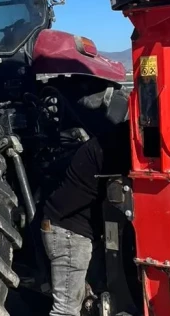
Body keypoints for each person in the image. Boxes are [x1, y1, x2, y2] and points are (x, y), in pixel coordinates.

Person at [41, 121, 132, 316]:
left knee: (87, 302)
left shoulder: (107, 142)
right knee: (66, 310)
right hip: (70, 234)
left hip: (72, 229)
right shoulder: (118, 146)